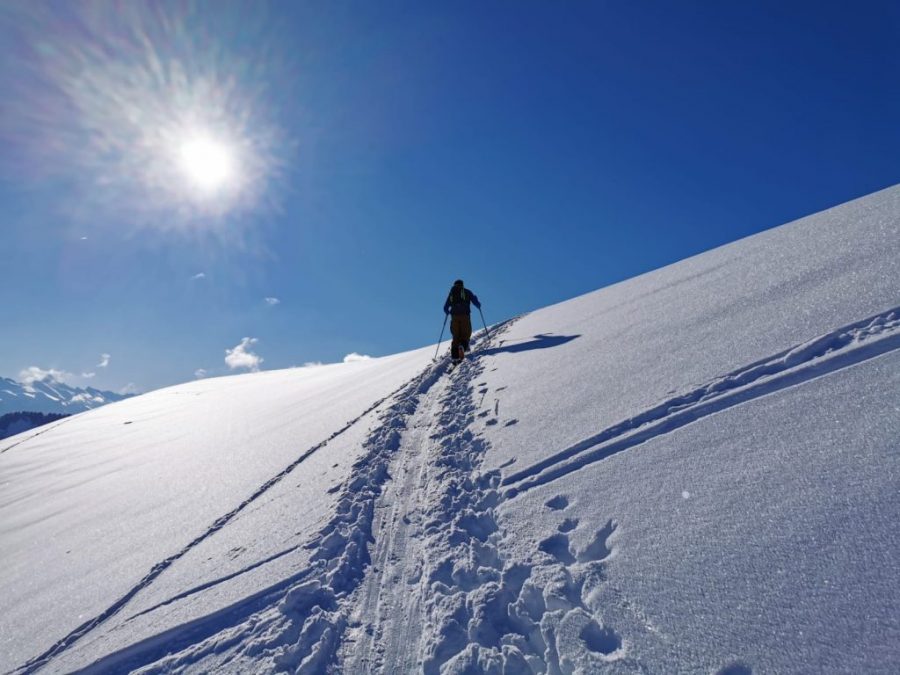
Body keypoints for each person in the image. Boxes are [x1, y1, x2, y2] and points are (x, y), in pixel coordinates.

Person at [443, 279, 481, 362]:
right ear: (462, 285)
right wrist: (478, 305)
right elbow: (475, 302)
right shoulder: (467, 292)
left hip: (454, 317)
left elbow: (445, 307)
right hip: (465, 315)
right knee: (466, 333)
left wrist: (448, 312)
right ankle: (462, 347)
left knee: (455, 335)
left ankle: (454, 356)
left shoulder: (451, 294)